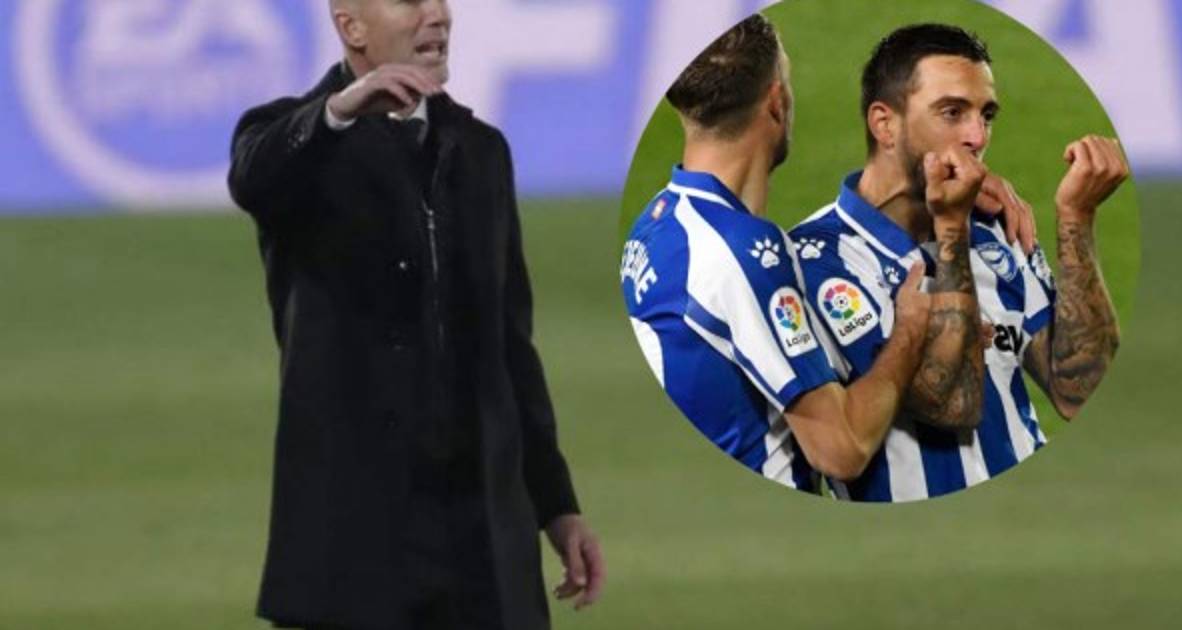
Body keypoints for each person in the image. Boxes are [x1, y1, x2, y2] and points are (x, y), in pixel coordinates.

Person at [227, 1, 604, 627]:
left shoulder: (482, 151)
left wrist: (557, 507)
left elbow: (511, 348)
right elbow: (252, 179)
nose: (436, 14)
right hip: (355, 545)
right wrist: (340, 111)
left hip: (481, 546)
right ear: (351, 26)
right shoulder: (300, 143)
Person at [788, 23, 1127, 501]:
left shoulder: (997, 231)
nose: (976, 136)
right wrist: (951, 227)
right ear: (885, 125)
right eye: (952, 112)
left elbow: (1082, 391)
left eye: (986, 115)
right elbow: (952, 404)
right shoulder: (813, 262)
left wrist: (1077, 217)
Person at [621, 14, 936, 492]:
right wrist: (911, 328)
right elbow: (841, 449)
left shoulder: (657, 221)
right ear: (777, 101)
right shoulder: (743, 254)